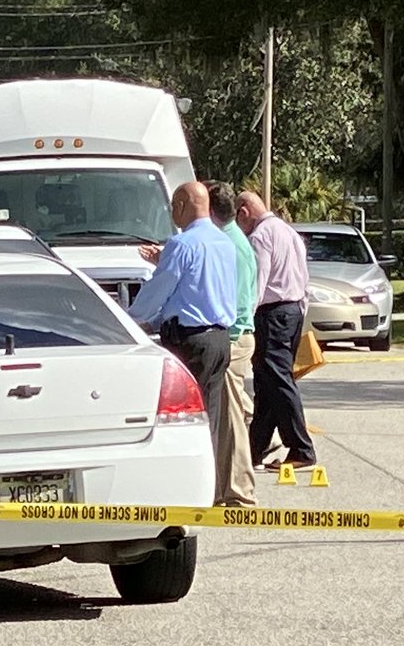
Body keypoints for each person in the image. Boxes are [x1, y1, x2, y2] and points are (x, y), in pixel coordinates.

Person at [128, 182, 237, 450]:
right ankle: (207, 486)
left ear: (182, 206)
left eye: (173, 206)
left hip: (191, 342)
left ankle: (186, 483)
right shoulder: (225, 242)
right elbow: (188, 294)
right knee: (207, 421)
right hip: (220, 339)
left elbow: (159, 289)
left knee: (182, 420)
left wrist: (128, 320)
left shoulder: (182, 244)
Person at [235, 190, 316, 471]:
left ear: (244, 212)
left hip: (271, 314)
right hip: (292, 310)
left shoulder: (260, 237)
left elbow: (258, 283)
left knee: (278, 381)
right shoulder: (288, 231)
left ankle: (301, 448)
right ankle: (254, 449)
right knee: (267, 384)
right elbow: (304, 277)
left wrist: (246, 318)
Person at [207, 181, 258, 507]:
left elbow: (240, 302)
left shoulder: (231, 245)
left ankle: (240, 491)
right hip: (234, 338)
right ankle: (221, 487)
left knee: (233, 418)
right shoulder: (229, 240)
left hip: (234, 338)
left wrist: (231, 338)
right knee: (230, 414)